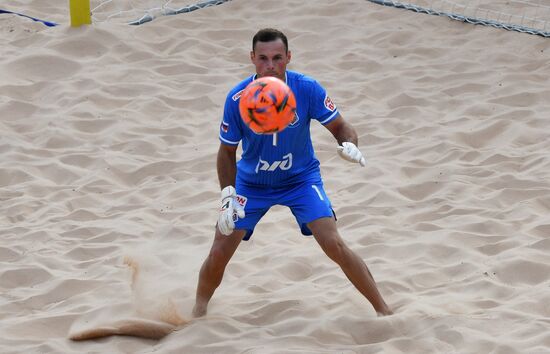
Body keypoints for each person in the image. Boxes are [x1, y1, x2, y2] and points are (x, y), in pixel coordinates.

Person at [193, 28, 393, 317]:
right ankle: (197, 313)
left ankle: (384, 312)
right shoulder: (237, 98)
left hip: (300, 179)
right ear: (252, 58)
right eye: (262, 58)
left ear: (288, 57)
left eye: (277, 58)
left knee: (333, 244)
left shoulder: (306, 88)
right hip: (252, 184)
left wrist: (349, 144)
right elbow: (226, 152)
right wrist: (228, 196)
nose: (270, 66)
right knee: (219, 251)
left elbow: (341, 127)